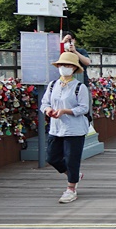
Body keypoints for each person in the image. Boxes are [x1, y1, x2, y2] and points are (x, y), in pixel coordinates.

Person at [40, 51, 91, 203]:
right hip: (56, 128)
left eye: (68, 65)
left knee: (71, 159)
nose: (64, 67)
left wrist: (65, 111)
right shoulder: (52, 85)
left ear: (74, 68)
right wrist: (48, 110)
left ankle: (71, 188)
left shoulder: (79, 87)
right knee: (52, 157)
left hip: (74, 129)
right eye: (62, 65)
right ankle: (73, 174)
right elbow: (45, 103)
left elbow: (84, 108)